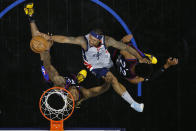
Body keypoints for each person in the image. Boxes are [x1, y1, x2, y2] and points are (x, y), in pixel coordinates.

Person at [24, 3, 151, 112]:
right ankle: (133, 104)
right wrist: (49, 38)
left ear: (100, 39)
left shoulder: (108, 40)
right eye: (90, 38)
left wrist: (140, 57)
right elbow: (66, 39)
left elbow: (126, 48)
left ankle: (30, 17)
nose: (90, 40)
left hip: (100, 63)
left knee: (44, 52)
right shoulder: (84, 41)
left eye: (93, 40)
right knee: (42, 46)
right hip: (95, 66)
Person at [111, 34, 179, 84]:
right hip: (115, 65)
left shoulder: (131, 57)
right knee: (154, 61)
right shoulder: (134, 80)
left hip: (115, 55)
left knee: (153, 60)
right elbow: (150, 78)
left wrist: (123, 40)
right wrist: (167, 65)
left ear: (140, 62)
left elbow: (118, 47)